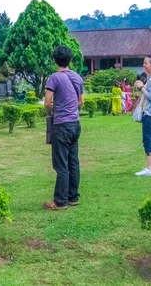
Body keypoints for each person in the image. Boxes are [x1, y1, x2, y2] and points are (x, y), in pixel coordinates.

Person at [43, 46, 84, 211]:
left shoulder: (54, 78)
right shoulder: (77, 77)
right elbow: (81, 101)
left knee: (61, 164)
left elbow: (47, 102)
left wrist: (53, 110)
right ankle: (73, 197)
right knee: (73, 162)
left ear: (55, 60)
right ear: (70, 60)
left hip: (61, 125)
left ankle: (60, 201)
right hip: (75, 123)